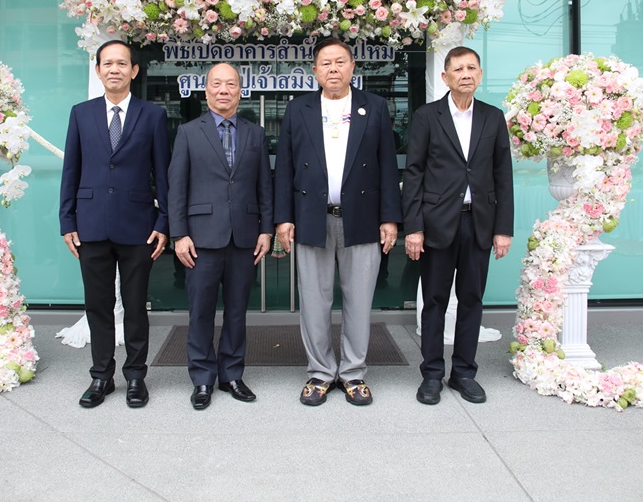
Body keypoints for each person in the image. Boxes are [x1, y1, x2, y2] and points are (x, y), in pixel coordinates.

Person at [274, 38, 402, 407]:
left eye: (340, 61)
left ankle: (353, 373)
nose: (333, 69)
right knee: (314, 300)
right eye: (326, 63)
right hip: (311, 218)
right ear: (315, 71)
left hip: (361, 218)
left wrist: (390, 218)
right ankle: (319, 373)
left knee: (359, 300)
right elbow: (284, 167)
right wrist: (283, 219)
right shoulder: (298, 109)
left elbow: (387, 166)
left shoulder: (374, 107)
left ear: (352, 67)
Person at [59, 39, 170, 409]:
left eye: (122, 63)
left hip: (138, 225)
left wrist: (164, 221)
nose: (114, 69)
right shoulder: (81, 113)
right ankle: (101, 376)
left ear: (134, 71)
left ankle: (136, 376)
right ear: (98, 70)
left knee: (136, 306)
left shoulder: (152, 115)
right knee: (98, 305)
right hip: (90, 224)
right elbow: (71, 170)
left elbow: (163, 173)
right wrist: (67, 220)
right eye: (107, 63)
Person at [402, 46, 514, 405]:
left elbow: (503, 175)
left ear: (480, 74)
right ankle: (432, 374)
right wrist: (413, 227)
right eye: (458, 69)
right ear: (445, 77)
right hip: (436, 224)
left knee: (471, 300)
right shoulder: (427, 116)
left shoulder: (493, 118)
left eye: (472, 68)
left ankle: (464, 373)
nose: (466, 74)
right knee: (434, 301)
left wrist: (503, 229)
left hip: (479, 223)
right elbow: (414, 173)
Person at [168, 63, 274, 410]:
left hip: (244, 237)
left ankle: (231, 374)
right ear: (206, 91)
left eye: (230, 84)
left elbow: (265, 186)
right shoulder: (188, 132)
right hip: (200, 238)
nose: (223, 90)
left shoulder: (255, 134)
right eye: (217, 84)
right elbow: (176, 187)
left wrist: (266, 229)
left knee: (237, 311)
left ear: (240, 91)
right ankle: (202, 378)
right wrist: (179, 234)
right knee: (200, 311)